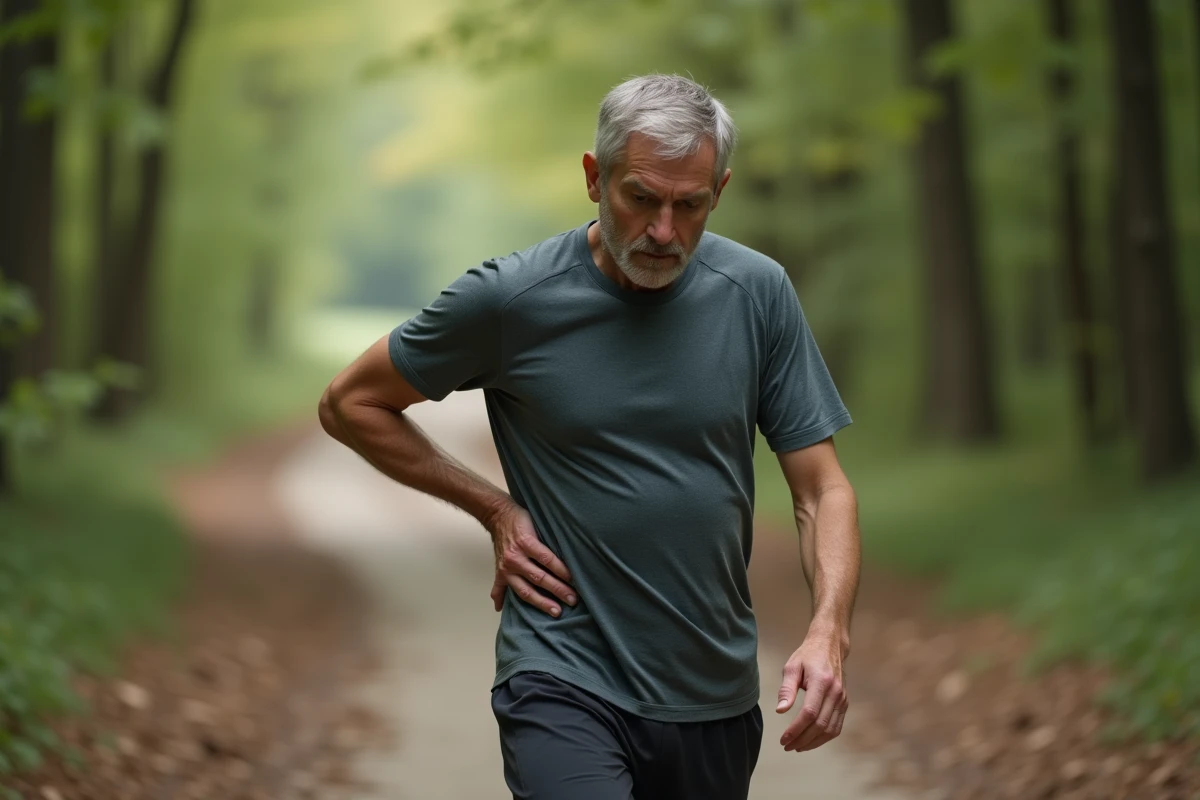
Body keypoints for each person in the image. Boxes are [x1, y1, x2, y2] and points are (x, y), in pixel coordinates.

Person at [318, 73, 861, 800]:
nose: (663, 231)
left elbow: (821, 491)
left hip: (711, 694)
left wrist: (828, 631)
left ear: (720, 192)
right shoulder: (512, 300)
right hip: (560, 673)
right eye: (641, 197)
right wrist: (493, 508)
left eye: (689, 205)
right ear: (593, 177)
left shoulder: (757, 294)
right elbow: (351, 403)